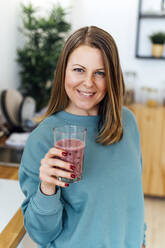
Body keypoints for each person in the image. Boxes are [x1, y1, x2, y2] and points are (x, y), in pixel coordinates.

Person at [19, 26, 146, 248]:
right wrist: (47, 188)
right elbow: (40, 234)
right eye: (79, 70)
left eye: (100, 73)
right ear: (63, 71)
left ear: (112, 77)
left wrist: (141, 241)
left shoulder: (127, 123)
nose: (88, 82)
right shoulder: (43, 138)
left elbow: (132, 200)